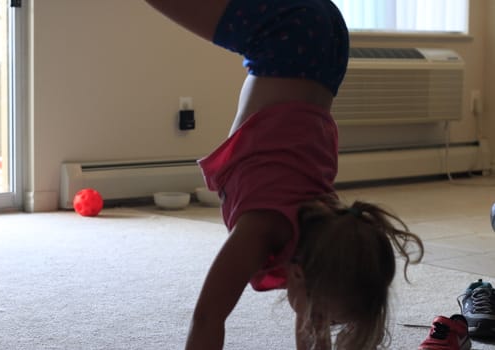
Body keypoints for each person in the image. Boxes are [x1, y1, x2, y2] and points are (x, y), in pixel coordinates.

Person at [143, 0, 424, 349]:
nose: (316, 325)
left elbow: (310, 327)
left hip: (326, 46)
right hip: (290, 36)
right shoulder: (259, 229)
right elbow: (207, 317)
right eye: (321, 317)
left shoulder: (328, 233)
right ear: (298, 275)